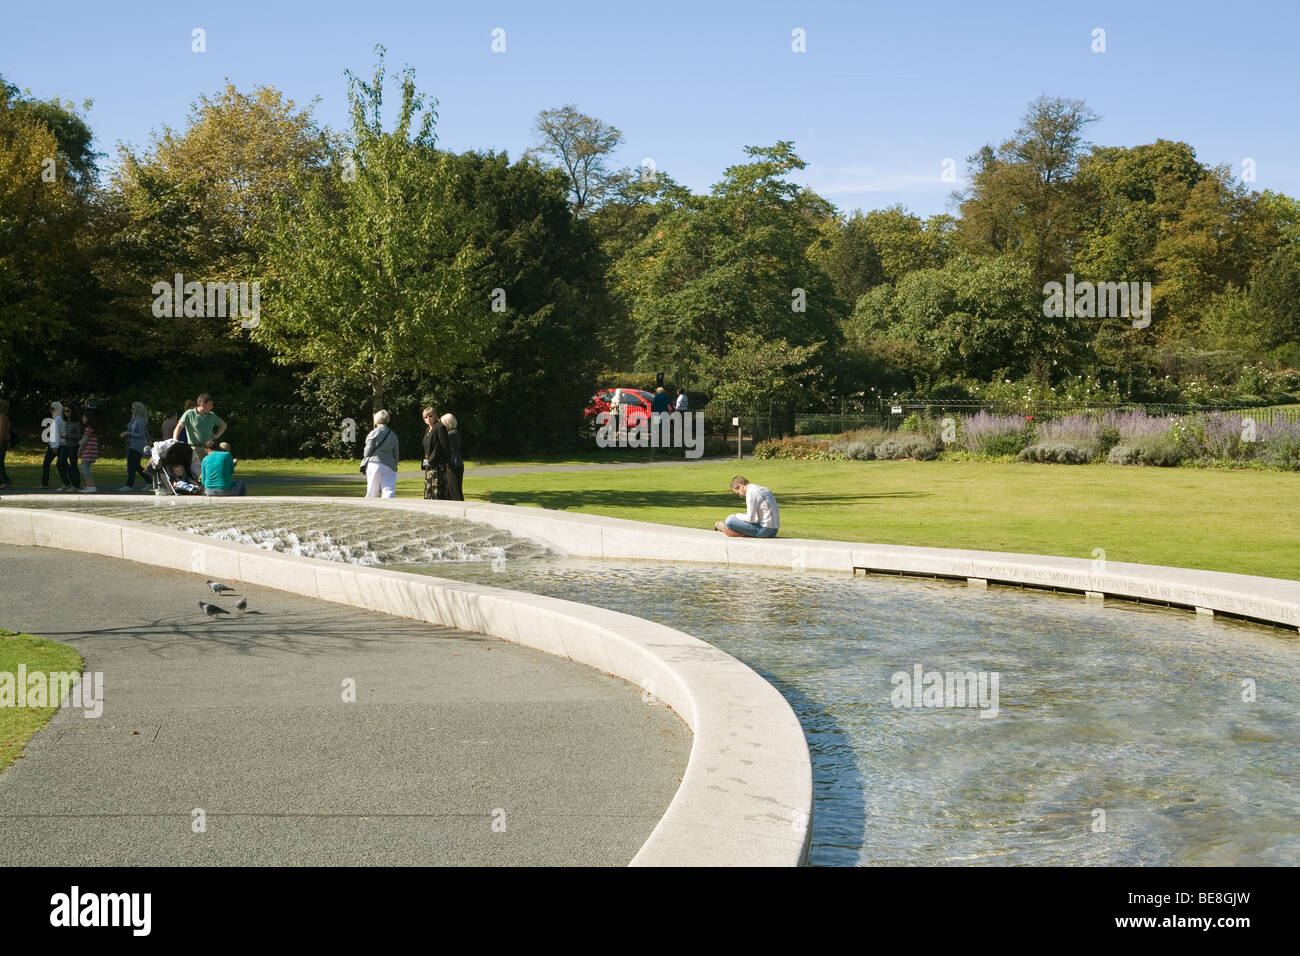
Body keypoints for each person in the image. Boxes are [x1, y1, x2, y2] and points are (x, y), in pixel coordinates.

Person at [174, 393, 226, 461]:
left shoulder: (211, 415)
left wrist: (216, 436)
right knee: (198, 471)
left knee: (210, 470)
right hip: (195, 449)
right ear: (202, 405)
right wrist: (174, 440)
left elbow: (223, 425)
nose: (212, 407)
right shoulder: (189, 413)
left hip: (210, 449)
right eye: (210, 405)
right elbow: (179, 426)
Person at [361, 409, 399, 498]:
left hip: (374, 463)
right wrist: (395, 465)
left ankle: (372, 508)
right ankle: (389, 507)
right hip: (389, 465)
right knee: (389, 489)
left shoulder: (373, 433)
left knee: (372, 490)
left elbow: (367, 452)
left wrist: (365, 454)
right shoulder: (393, 435)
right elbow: (396, 454)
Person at [119, 402, 150, 492]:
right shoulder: (135, 419)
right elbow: (130, 427)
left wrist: (126, 433)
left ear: (138, 410)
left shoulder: (140, 421)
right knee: (136, 466)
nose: (131, 410)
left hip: (137, 446)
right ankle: (149, 481)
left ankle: (130, 485)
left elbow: (140, 435)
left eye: (133, 409)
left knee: (131, 465)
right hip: (132, 444)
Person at [421, 407, 450, 500]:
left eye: (430, 416)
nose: (428, 419)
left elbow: (445, 447)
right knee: (429, 491)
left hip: (438, 466)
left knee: (437, 492)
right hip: (428, 466)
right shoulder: (427, 429)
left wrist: (444, 463)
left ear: (435, 416)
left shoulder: (440, 427)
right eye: (425, 417)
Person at [440, 413, 464, 501]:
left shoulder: (452, 434)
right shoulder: (454, 433)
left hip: (454, 465)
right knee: (451, 491)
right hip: (455, 464)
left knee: (455, 492)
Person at [42, 400, 64, 489]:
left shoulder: (57, 419)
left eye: (52, 409)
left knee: (47, 463)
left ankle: (44, 483)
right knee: (62, 464)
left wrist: (54, 446)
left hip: (54, 445)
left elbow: (55, 433)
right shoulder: (59, 418)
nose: (51, 410)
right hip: (56, 444)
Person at [59, 407, 81, 490]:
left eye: (67, 411)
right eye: (64, 411)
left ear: (72, 412)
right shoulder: (66, 422)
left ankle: (76, 485)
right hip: (65, 445)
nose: (65, 412)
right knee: (60, 463)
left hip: (73, 446)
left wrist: (67, 436)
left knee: (73, 464)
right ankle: (66, 482)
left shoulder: (77, 423)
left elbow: (79, 436)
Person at [77, 412, 99, 493]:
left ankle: (91, 486)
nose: (83, 419)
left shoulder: (88, 428)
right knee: (84, 469)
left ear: (89, 419)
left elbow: (84, 441)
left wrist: (79, 451)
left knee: (85, 470)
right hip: (90, 452)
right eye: (82, 417)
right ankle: (88, 485)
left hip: (88, 452)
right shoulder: (90, 429)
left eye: (84, 418)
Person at [0, 399, 12, 489]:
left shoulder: (2, 417)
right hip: (4, 441)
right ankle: (6, 480)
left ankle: (4, 481)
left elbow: (2, 432)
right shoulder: (4, 417)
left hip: (2, 441)